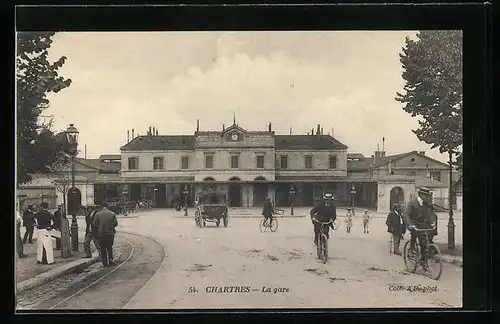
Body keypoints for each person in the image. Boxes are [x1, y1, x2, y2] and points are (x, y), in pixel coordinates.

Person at [403, 187, 437, 271]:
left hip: (423, 225)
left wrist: (433, 222)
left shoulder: (426, 203)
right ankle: (412, 250)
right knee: (414, 236)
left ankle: (424, 261)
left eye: (427, 195)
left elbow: (431, 214)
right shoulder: (412, 203)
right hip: (414, 223)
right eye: (426, 195)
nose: (427, 197)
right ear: (421, 195)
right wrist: (410, 225)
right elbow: (406, 214)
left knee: (424, 243)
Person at [92, 201, 118, 267]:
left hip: (101, 234)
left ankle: (105, 263)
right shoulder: (112, 214)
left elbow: (94, 224)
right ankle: (111, 260)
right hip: (110, 234)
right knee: (109, 247)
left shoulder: (98, 214)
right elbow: (115, 224)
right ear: (107, 206)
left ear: (101, 206)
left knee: (103, 249)